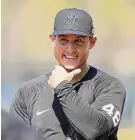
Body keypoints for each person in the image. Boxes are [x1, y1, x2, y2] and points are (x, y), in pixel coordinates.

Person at [9, 8, 126, 140]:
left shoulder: (109, 86)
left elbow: (95, 129)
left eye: (78, 41)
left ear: (92, 43)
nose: (70, 49)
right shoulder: (28, 92)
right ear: (53, 40)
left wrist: (62, 87)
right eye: (63, 40)